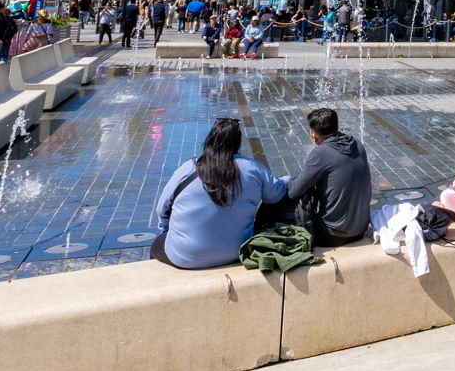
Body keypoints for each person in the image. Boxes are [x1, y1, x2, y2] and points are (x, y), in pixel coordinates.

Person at [152, 117, 290, 269]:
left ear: (210, 140)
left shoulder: (188, 168)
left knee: (156, 245)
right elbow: (275, 194)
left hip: (186, 256)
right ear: (237, 143)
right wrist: (289, 179)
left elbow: (162, 209)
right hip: (237, 251)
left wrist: (167, 230)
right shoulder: (253, 169)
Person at [285, 107, 373, 246]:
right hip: (361, 228)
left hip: (333, 234)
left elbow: (293, 192)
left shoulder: (321, 153)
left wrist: (289, 180)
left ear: (313, 134)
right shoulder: (356, 144)